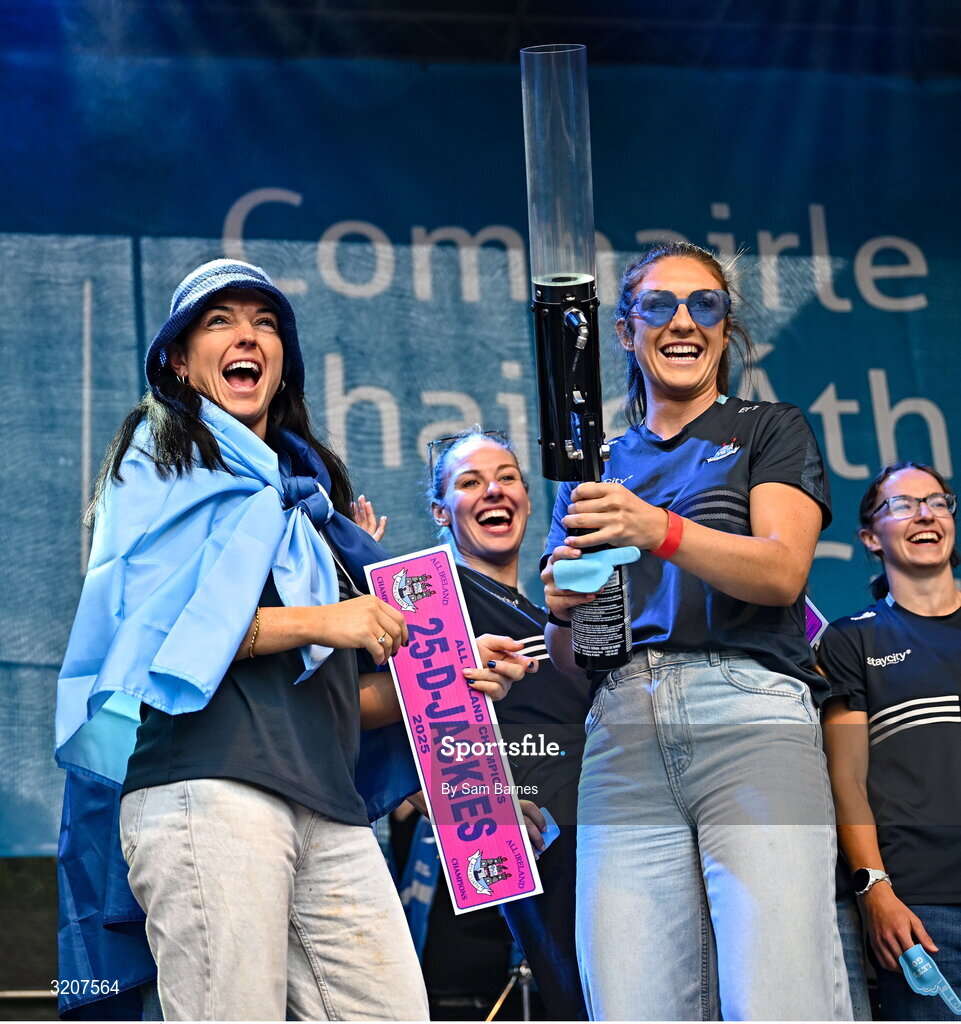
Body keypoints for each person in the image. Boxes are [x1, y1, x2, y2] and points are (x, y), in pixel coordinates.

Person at [53, 258, 527, 1021]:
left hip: (328, 805)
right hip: (206, 789)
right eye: (220, 321)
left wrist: (444, 679)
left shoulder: (308, 511)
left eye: (265, 322)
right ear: (178, 359)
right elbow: (153, 641)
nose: (247, 335)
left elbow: (334, 694)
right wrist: (320, 619)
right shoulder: (159, 457)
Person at [541, 240, 852, 1021]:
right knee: (628, 1001)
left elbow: (782, 572)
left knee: (781, 997)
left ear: (724, 328)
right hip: (619, 733)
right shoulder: (594, 466)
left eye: (703, 305)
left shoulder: (766, 429)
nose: (682, 322)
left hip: (748, 716)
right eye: (658, 306)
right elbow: (575, 660)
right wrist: (560, 611)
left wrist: (658, 529)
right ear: (623, 330)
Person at [426, 428, 593, 1020]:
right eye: (469, 482)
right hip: (539, 843)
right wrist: (478, 806)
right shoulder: (436, 607)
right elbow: (403, 733)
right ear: (441, 513)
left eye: (507, 478)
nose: (492, 490)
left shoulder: (545, 608)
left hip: (602, 830)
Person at [818, 461, 961, 1020]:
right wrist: (874, 888)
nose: (925, 514)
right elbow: (845, 779)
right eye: (902, 505)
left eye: (938, 502)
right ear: (870, 537)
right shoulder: (851, 639)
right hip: (921, 910)